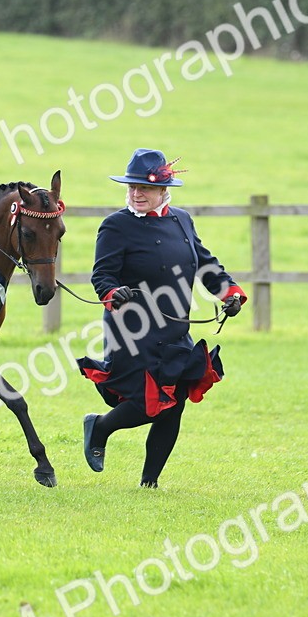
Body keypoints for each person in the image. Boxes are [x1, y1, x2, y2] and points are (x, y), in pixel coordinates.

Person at [80, 148, 245, 487]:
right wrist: (114, 293)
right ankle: (99, 426)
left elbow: (205, 263)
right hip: (131, 329)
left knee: (175, 402)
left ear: (163, 191)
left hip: (173, 329)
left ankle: (149, 482)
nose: (137, 194)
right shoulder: (115, 226)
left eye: (145, 188)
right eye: (132, 187)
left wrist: (230, 294)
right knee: (148, 401)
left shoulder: (182, 219)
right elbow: (102, 276)